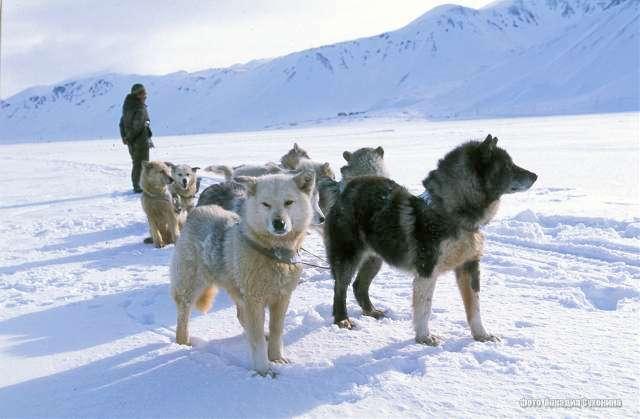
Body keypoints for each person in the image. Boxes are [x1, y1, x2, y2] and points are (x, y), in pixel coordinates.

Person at [119, 83, 153, 193]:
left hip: (131, 141)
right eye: (143, 93)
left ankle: (138, 185)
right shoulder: (139, 107)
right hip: (140, 141)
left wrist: (125, 137)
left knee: (137, 163)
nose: (145, 95)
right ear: (138, 95)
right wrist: (129, 138)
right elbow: (137, 125)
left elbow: (121, 123)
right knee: (142, 164)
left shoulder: (127, 106)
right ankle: (139, 186)